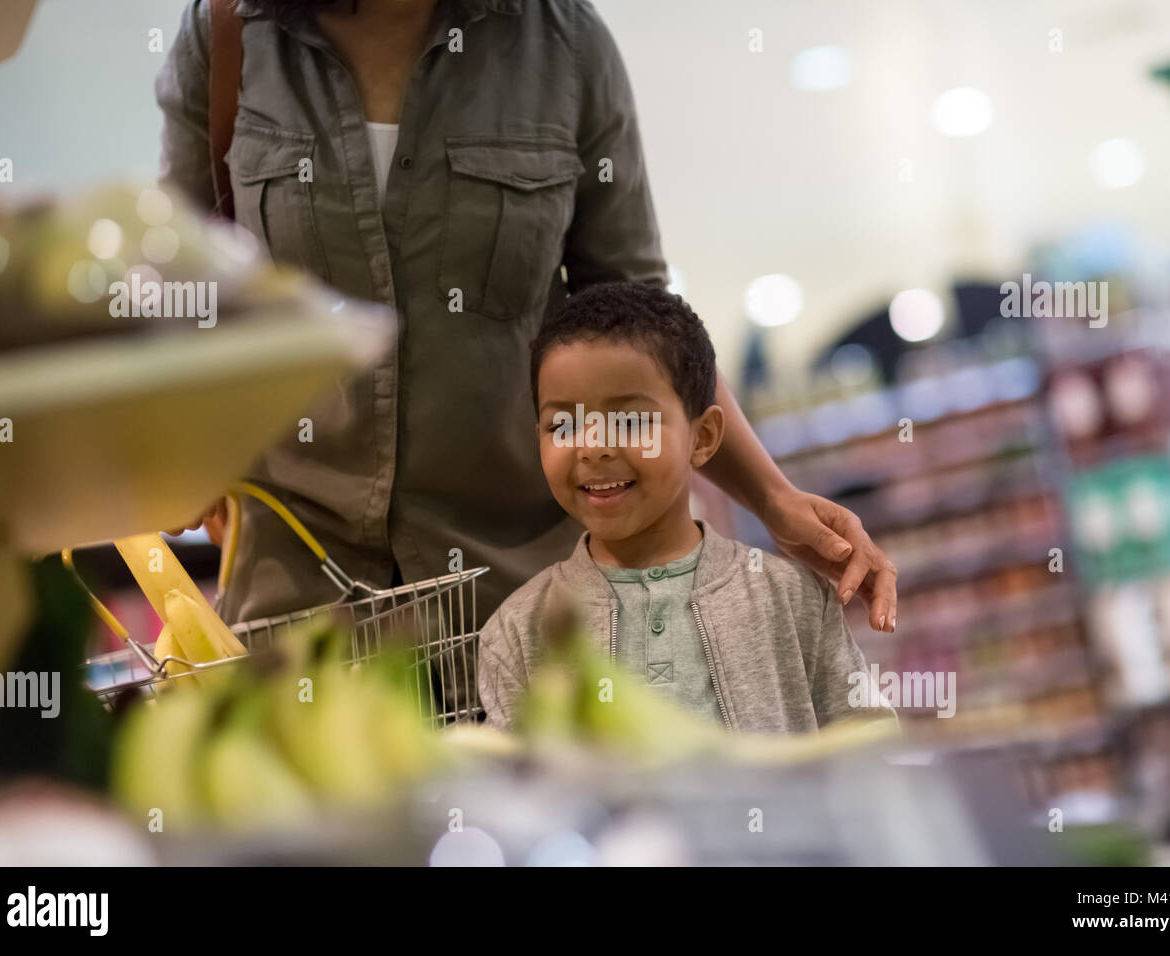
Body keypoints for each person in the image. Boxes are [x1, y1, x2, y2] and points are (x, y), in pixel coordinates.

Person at [156, 0, 897, 640]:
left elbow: (645, 324)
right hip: (299, 608)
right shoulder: (227, 37)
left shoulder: (563, 44)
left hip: (522, 603)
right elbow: (179, 293)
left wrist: (773, 499)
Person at [479, 283, 896, 733]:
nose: (593, 447)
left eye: (631, 421)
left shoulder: (790, 598)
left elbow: (868, 750)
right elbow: (513, 791)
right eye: (565, 423)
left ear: (703, 437)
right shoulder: (519, 631)